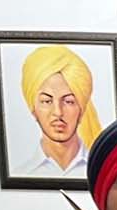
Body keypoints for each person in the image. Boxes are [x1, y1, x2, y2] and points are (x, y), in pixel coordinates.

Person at [18, 45, 101, 177]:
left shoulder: (102, 170)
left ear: (82, 110)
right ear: (33, 109)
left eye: (68, 101)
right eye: (47, 101)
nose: (58, 112)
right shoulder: (22, 173)